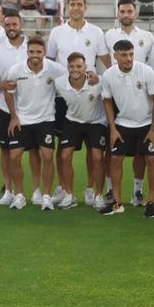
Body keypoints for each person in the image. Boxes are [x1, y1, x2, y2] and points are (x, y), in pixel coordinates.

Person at [48, 0, 109, 204]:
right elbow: (49, 61)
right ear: (67, 7)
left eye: (79, 4)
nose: (75, 8)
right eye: (72, 4)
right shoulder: (57, 32)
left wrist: (108, 80)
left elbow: (105, 60)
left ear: (85, 7)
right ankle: (64, 187)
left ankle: (91, 189)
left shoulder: (96, 32)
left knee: (94, 150)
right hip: (64, 95)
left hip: (90, 93)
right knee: (62, 147)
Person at [100, 39, 154, 218]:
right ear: (115, 56)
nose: (128, 59)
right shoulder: (109, 75)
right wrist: (112, 129)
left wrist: (153, 129)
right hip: (123, 123)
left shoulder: (146, 71)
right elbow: (107, 101)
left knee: (151, 159)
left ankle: (150, 202)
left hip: (147, 123)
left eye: (131, 54)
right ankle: (117, 202)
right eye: (124, 55)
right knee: (116, 158)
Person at [1, 36, 67, 210]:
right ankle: (20, 195)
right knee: (14, 157)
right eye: (31, 51)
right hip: (22, 120)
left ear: (45, 52)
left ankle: (46, 196)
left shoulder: (55, 69)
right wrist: (14, 117)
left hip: (46, 120)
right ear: (27, 52)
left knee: (47, 156)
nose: (35, 55)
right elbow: (8, 92)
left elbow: (72, 79)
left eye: (39, 52)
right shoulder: (16, 70)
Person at [0, 8, 29, 204]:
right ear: (5, 26)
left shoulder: (33, 46)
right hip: (5, 108)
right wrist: (4, 85)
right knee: (6, 150)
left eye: (15, 24)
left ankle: (36, 191)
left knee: (36, 151)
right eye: (8, 25)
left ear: (21, 25)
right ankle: (8, 190)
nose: (11, 28)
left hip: (33, 108)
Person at [53, 52, 103, 211]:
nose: (75, 69)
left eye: (79, 66)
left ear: (85, 67)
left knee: (97, 157)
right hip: (73, 120)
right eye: (72, 66)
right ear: (67, 67)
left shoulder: (97, 81)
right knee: (65, 155)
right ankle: (69, 195)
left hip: (96, 122)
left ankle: (97, 195)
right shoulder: (60, 83)